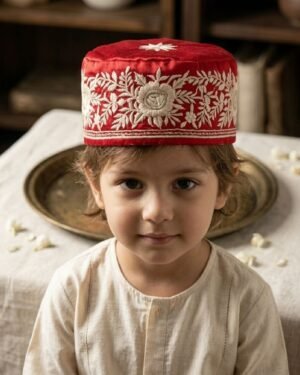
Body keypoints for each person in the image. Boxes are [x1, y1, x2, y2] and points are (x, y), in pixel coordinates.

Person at [23, 38, 289, 374]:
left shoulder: (246, 301)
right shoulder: (74, 289)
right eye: (132, 184)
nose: (157, 211)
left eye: (184, 184)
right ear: (96, 187)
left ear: (223, 185)